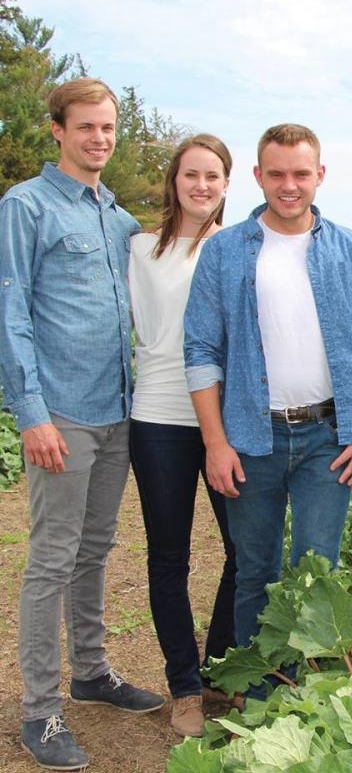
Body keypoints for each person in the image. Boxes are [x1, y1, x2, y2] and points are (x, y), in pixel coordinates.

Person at [183, 123, 352, 689]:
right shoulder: (225, 251)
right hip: (252, 436)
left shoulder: (350, 249)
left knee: (317, 574)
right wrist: (216, 442)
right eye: (277, 174)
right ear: (257, 177)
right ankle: (260, 696)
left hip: (327, 435)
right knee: (256, 576)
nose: (289, 185)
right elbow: (200, 348)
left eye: (301, 173)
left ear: (320, 175)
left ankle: (310, 695)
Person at [0, 77, 164, 771]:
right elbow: (10, 312)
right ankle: (39, 711)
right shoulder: (26, 206)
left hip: (115, 409)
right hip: (61, 415)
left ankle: (92, 671)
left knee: (96, 549)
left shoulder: (117, 218)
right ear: (58, 132)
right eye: (87, 127)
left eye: (109, 128)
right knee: (52, 559)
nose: (100, 139)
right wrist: (31, 414)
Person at [128, 134, 237, 736]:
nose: (201, 185)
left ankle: (220, 664)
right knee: (169, 555)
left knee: (244, 552)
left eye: (212, 176)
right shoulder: (140, 249)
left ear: (226, 185)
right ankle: (184, 686)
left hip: (227, 419)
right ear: (175, 181)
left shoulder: (240, 248)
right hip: (162, 416)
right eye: (190, 174)